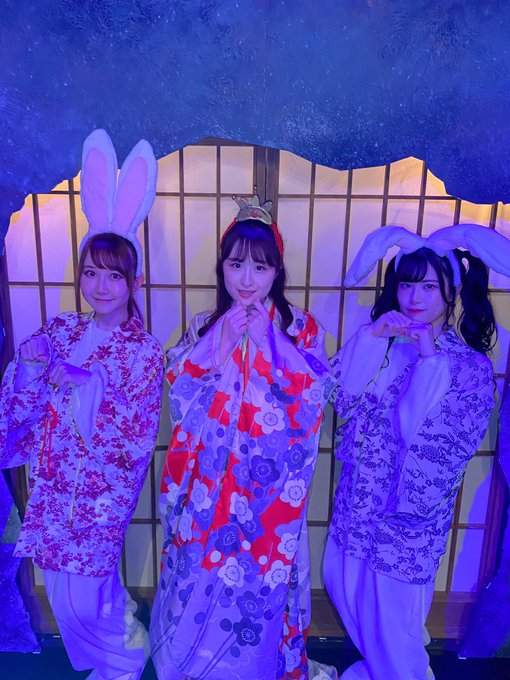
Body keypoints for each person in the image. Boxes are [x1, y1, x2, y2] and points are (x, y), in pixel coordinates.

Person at [0, 129, 164, 680]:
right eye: (91, 272)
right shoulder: (63, 330)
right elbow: (20, 411)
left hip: (100, 495)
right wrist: (28, 367)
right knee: (61, 590)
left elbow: (137, 433)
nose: (101, 286)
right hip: (53, 487)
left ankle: (124, 658)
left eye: (114, 275)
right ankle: (115, 648)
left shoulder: (144, 350)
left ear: (134, 280)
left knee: (81, 598)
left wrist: (89, 383)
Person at [150, 194, 335, 680]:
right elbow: (178, 387)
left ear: (277, 271)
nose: (246, 279)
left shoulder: (300, 329)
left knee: (262, 574)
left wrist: (271, 344)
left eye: (260, 266)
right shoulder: (205, 325)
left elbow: (316, 394)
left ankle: (255, 667)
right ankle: (191, 663)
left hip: (269, 488)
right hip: (209, 479)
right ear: (223, 268)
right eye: (236, 265)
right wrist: (223, 341)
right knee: (199, 563)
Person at [324, 224, 510, 680]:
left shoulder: (469, 367)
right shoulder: (383, 340)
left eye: (428, 286)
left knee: (396, 620)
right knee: (345, 586)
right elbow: (340, 398)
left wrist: (430, 361)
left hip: (408, 516)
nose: (414, 297)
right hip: (359, 502)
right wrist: (371, 338)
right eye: (407, 284)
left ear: (452, 291)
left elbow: (435, 441)